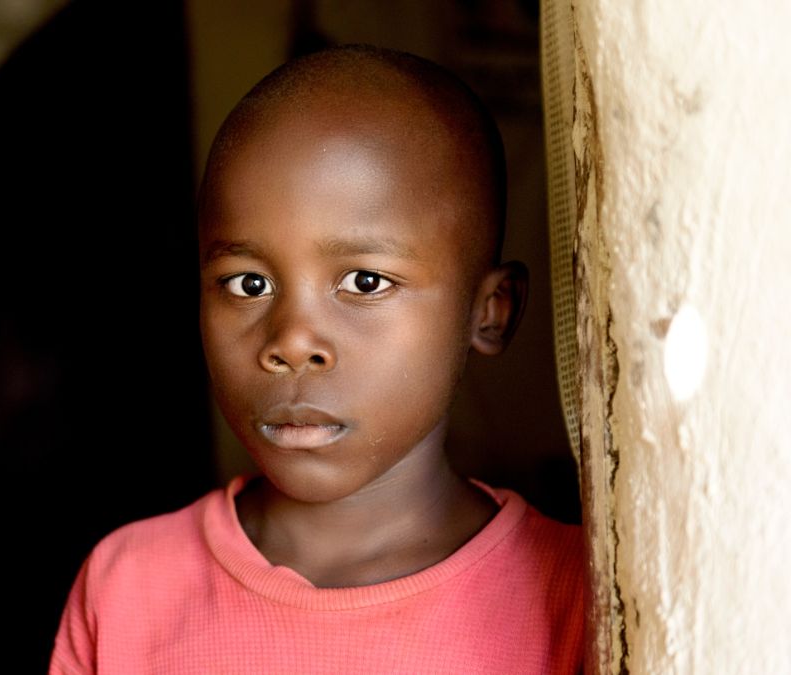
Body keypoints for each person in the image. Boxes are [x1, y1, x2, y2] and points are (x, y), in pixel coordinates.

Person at [48, 45, 584, 674]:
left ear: (489, 310)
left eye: (364, 282)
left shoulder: (577, 596)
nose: (292, 340)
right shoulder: (129, 587)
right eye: (248, 285)